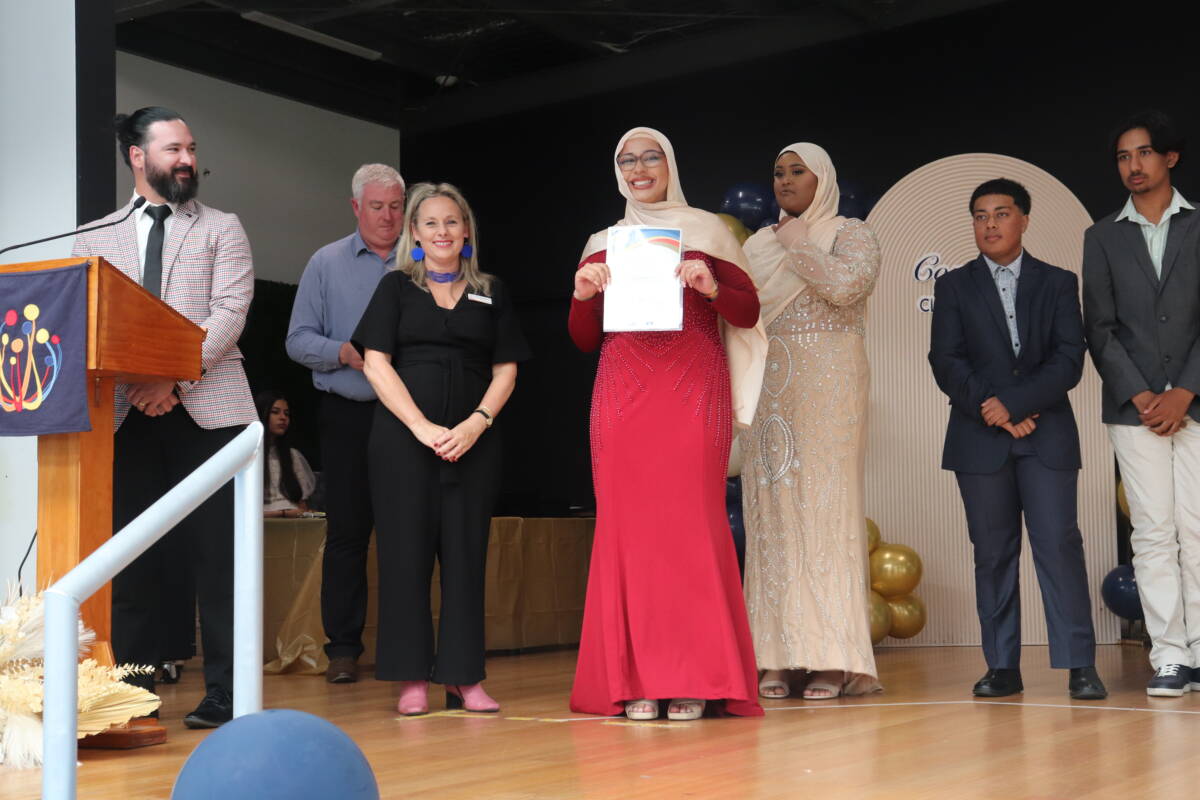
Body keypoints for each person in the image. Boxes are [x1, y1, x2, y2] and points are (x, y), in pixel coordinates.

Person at [568, 127, 766, 722]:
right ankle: (634, 680)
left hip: (692, 388)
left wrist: (711, 286)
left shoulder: (707, 232)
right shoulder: (602, 242)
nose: (639, 168)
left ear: (670, 164)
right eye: (627, 160)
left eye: (650, 157)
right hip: (623, 394)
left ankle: (696, 678)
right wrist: (582, 295)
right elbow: (583, 338)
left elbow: (748, 312)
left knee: (691, 528)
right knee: (628, 534)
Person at [71, 106, 256, 727]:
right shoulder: (93, 238)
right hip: (126, 412)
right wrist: (140, 383)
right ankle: (135, 691)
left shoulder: (222, 227)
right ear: (137, 156)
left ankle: (227, 692)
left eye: (191, 149)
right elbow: (90, 323)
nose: (186, 159)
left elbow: (230, 312)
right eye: (173, 148)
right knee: (132, 557)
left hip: (209, 411)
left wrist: (170, 376)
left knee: (220, 557)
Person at [352, 181, 529, 716]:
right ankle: (410, 678)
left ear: (466, 229)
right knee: (404, 556)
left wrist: (477, 423)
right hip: (403, 443)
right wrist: (421, 427)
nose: (442, 231)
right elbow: (375, 363)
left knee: (466, 557)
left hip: (475, 444)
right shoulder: (395, 288)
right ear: (414, 233)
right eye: (430, 223)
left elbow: (506, 370)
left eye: (452, 221)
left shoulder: (491, 291)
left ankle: (463, 677)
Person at [929, 178, 1107, 700]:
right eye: (980, 216)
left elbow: (1069, 359)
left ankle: (1079, 664)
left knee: (1059, 546)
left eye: (1001, 214)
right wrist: (994, 408)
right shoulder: (954, 286)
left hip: (1047, 435)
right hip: (979, 437)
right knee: (993, 553)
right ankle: (1002, 666)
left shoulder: (1057, 282)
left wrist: (1016, 404)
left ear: (1024, 219)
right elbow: (946, 360)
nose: (990, 225)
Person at [740, 143, 882, 700]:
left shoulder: (851, 233)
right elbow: (741, 316)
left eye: (798, 171)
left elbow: (847, 287)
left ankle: (832, 658)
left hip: (831, 388)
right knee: (772, 514)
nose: (785, 180)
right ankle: (775, 655)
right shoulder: (755, 245)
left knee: (825, 511)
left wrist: (798, 244)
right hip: (770, 387)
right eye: (778, 172)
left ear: (822, 178)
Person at [1083, 110, 1200, 697]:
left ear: (1170, 157)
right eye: (1124, 157)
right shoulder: (1102, 235)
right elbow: (1099, 327)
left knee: (1198, 527)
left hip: (1196, 402)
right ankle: (1171, 655)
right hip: (1135, 410)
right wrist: (1143, 394)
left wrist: (1184, 391)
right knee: (1153, 532)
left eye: (1145, 153)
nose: (1133, 165)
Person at [286, 163, 404, 684]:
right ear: (356, 207)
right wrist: (343, 352)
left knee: (408, 533)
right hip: (348, 414)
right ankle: (343, 650)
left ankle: (405, 649)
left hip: (410, 417)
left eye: (396, 206)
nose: (388, 216)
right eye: (377, 206)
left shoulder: (423, 260)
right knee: (348, 534)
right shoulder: (325, 262)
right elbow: (296, 340)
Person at [256, 390, 317, 517]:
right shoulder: (250, 456)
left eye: (286, 414)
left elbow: (302, 507)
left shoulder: (292, 456)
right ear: (262, 414)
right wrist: (282, 513)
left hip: (292, 521)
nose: (283, 418)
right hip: (262, 522)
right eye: (275, 412)